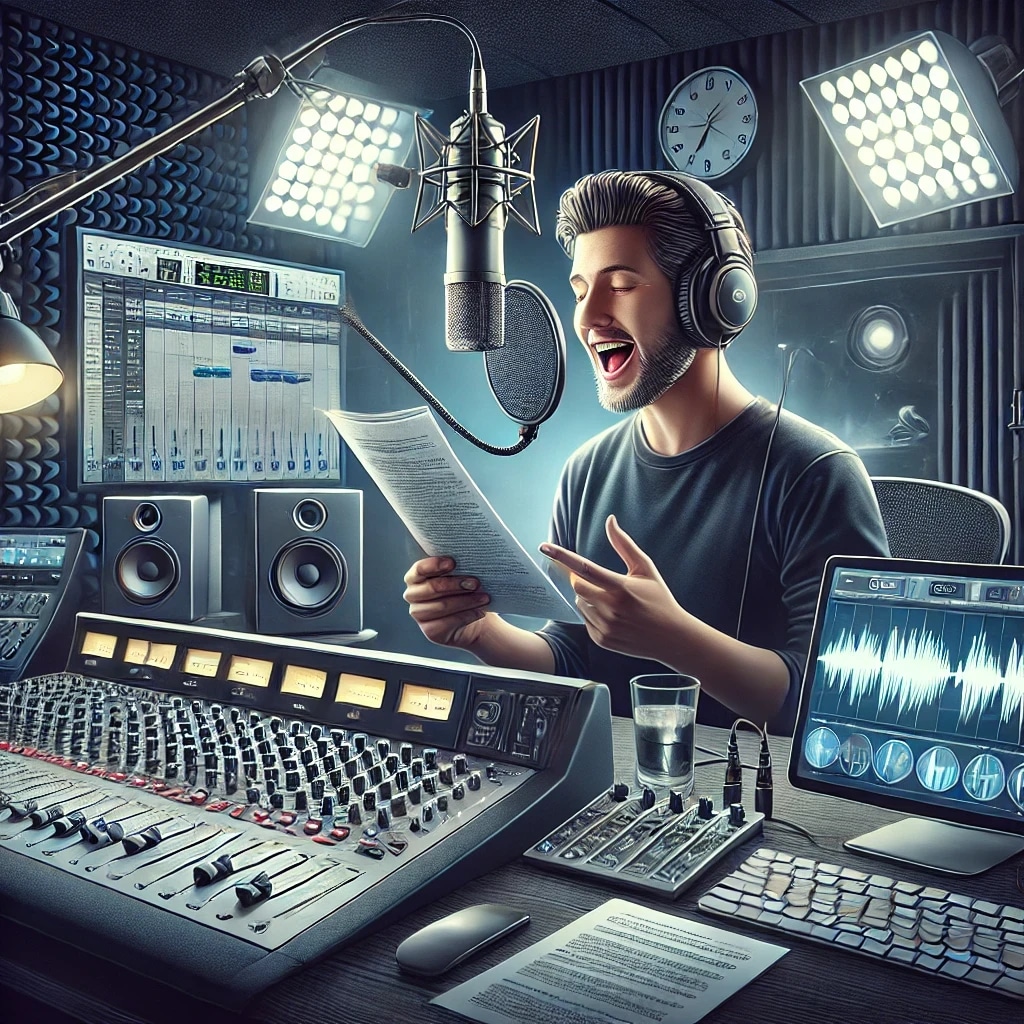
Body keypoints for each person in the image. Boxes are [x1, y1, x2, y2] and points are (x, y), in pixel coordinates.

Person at [402, 169, 889, 733]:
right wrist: (480, 633)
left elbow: (837, 702)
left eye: (622, 284)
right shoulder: (585, 472)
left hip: (771, 808)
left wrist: (673, 638)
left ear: (710, 299)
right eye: (580, 290)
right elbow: (573, 658)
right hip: (617, 801)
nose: (586, 318)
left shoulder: (815, 473)